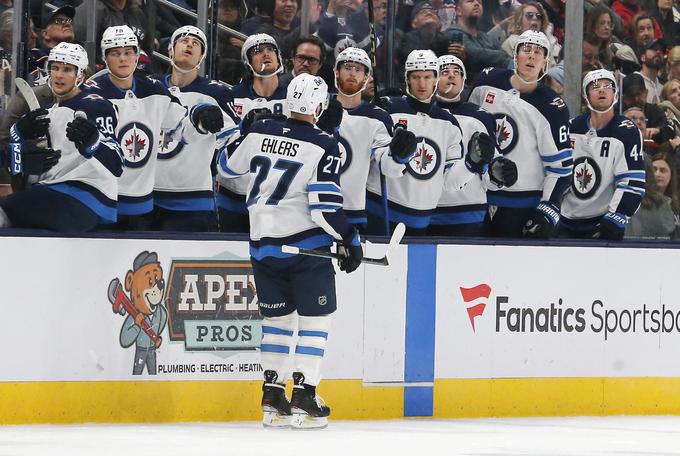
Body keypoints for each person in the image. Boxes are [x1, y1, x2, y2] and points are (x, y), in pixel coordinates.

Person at [219, 73, 363, 429]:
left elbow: (225, 168)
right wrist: (349, 239)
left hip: (261, 245)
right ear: (318, 106)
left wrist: (242, 131)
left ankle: (272, 396)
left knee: (277, 322)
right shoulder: (324, 142)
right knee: (315, 321)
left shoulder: (259, 130)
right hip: (305, 247)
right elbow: (324, 207)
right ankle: (304, 394)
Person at [84, 25, 223, 230]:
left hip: (141, 207)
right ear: (105, 58)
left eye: (128, 53)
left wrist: (200, 121)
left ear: (137, 56)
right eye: (115, 53)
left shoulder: (155, 90)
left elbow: (181, 127)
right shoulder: (91, 94)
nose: (123, 59)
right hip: (100, 201)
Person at [366, 49, 492, 235]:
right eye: (416, 77)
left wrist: (470, 165)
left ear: (435, 79)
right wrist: (395, 157)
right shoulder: (388, 109)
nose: (422, 83)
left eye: (427, 77)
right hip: (381, 210)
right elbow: (381, 163)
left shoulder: (448, 122)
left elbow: (449, 182)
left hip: (421, 219)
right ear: (407, 79)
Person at [0, 42, 123, 231]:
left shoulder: (94, 105)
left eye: (67, 70)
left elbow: (117, 163)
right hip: (53, 192)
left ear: (80, 75)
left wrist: (93, 141)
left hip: (85, 198)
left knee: (5, 210)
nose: (58, 75)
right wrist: (20, 136)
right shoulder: (48, 111)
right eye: (55, 68)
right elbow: (15, 165)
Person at [468, 30, 572, 238]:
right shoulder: (487, 81)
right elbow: (467, 128)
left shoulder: (552, 107)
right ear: (515, 56)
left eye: (538, 52)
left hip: (521, 207)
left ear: (545, 62)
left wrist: (548, 208)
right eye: (526, 50)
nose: (531, 56)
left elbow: (561, 169)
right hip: (476, 198)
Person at [151, 26, 240, 232]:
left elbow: (232, 142)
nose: (189, 44)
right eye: (183, 40)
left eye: (196, 43)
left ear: (202, 56)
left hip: (192, 201)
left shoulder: (215, 93)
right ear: (170, 50)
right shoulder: (151, 87)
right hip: (147, 197)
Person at [431, 55, 517, 236]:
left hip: (470, 214)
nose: (452, 76)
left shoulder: (481, 117)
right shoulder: (421, 115)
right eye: (445, 72)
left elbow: (489, 174)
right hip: (425, 212)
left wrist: (499, 175)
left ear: (464, 81)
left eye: (457, 73)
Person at [332, 47, 417, 232]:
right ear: (336, 72)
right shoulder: (318, 106)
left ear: (366, 77)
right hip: (309, 209)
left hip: (351, 212)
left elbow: (388, 168)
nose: (352, 73)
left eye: (359, 69)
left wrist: (398, 156)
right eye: (347, 67)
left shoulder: (378, 117)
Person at [559, 69, 645, 240]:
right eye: (595, 86)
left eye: (608, 86)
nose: (602, 90)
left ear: (615, 94)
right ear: (586, 95)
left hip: (603, 222)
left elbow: (632, 181)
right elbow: (557, 171)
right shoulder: (571, 128)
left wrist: (618, 215)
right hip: (565, 220)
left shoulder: (627, 132)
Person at [216, 33, 289, 233]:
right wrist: (244, 130)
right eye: (257, 51)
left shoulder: (294, 97)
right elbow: (222, 149)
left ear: (279, 56)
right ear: (247, 62)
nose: (265, 54)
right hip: (234, 197)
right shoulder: (231, 97)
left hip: (279, 200)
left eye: (270, 49)